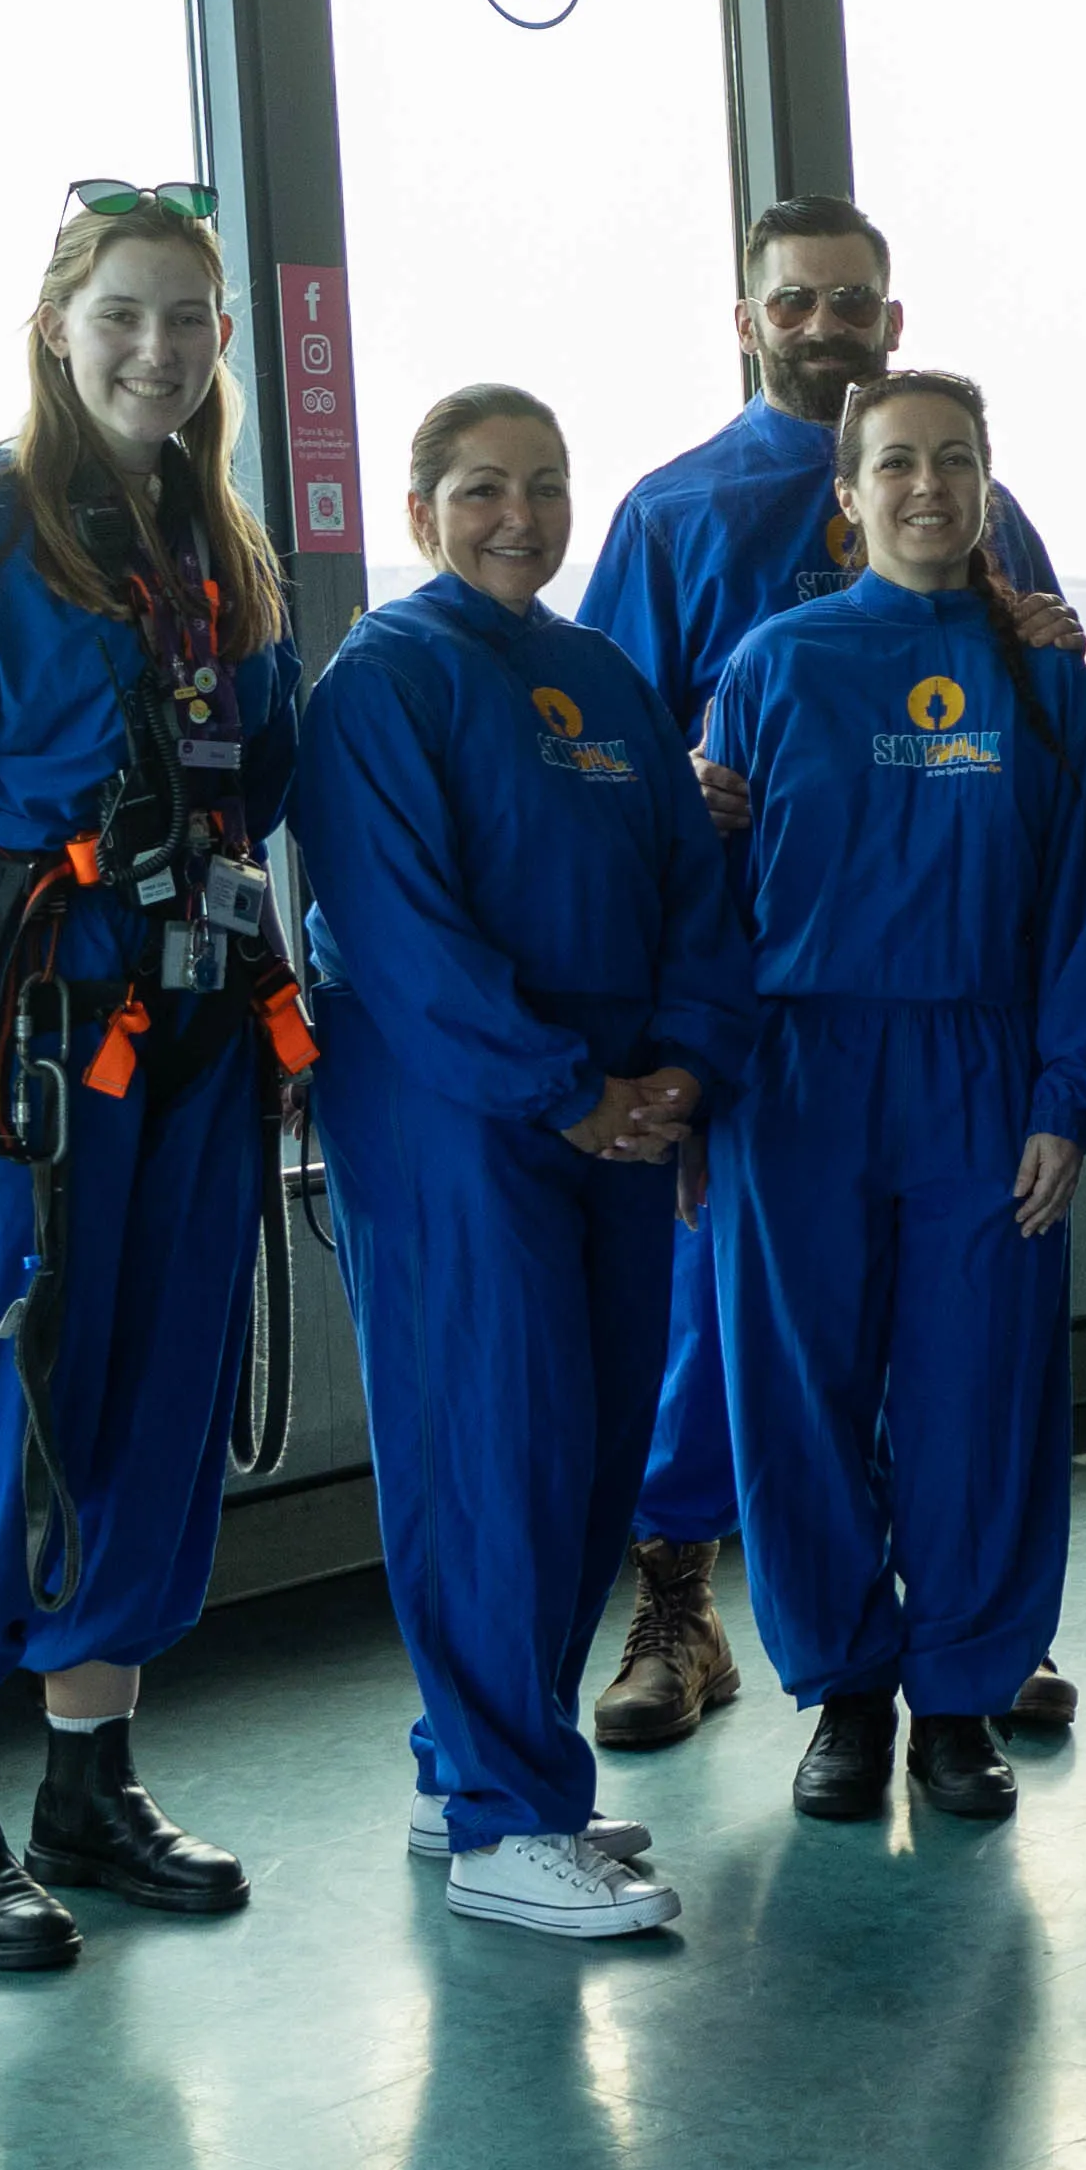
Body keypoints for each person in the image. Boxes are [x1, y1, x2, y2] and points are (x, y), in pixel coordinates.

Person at [0, 183, 305, 1972]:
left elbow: (262, 782)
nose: (156, 348)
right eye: (123, 314)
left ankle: (88, 1783)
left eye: (186, 317)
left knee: (160, 1396)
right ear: (57, 325)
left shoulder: (216, 543)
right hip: (23, 1035)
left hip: (192, 1027)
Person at [576, 196, 1080, 1757]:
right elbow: (596, 751)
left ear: (892, 321)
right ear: (750, 320)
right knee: (740, 1365)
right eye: (793, 301)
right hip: (776, 1019)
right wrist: (687, 794)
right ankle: (697, 1614)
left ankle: (968, 1641)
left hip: (963, 1028)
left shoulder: (999, 542)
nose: (823, 322)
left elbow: (1064, 791)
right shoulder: (674, 519)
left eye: (851, 299)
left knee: (963, 1363)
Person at [289, 388, 756, 1941]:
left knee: (596, 1447)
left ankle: (472, 1763)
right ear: (422, 512)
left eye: (546, 488)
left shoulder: (600, 677)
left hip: (619, 1121)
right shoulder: (384, 683)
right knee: (491, 1450)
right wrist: (564, 1091)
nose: (520, 518)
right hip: (463, 1125)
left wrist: (682, 1068)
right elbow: (402, 937)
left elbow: (694, 891)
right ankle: (508, 1824)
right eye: (483, 489)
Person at [709, 370, 1086, 1831]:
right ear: (847, 495)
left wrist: (1066, 1096)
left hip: (984, 1075)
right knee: (801, 1389)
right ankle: (843, 1690)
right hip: (800, 1075)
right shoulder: (773, 667)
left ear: (987, 484)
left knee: (980, 1394)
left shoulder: (1047, 681)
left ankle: (961, 1693)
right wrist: (701, 1081)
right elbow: (708, 899)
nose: (926, 489)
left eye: (955, 461)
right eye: (894, 464)